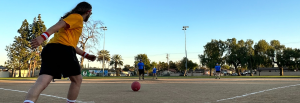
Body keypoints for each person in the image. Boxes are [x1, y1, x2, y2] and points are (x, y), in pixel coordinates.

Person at [23, 2, 95, 103]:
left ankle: (28, 101)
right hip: (63, 50)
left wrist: (86, 55)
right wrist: (42, 37)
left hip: (50, 49)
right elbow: (59, 25)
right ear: (88, 12)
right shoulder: (77, 17)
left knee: (43, 81)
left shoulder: (71, 21)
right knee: (77, 80)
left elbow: (72, 45)